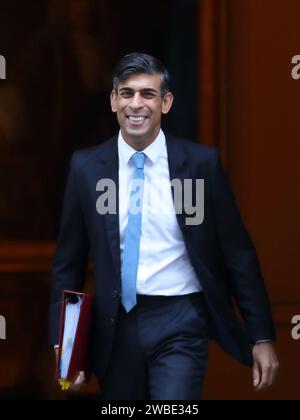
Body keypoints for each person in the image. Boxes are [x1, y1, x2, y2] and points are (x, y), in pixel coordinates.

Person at [49, 52, 279, 400]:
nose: (136, 104)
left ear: (166, 102)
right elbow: (69, 264)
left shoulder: (201, 165)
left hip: (181, 320)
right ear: (113, 101)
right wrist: (66, 347)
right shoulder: (87, 169)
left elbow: (238, 255)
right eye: (126, 93)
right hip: (116, 323)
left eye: (148, 94)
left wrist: (261, 336)